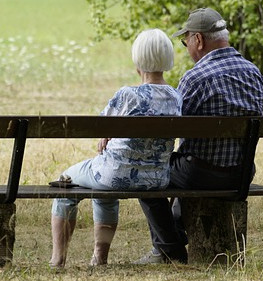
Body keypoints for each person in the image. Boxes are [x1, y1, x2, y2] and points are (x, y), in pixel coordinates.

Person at [136, 7, 263, 264]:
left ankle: (168, 249)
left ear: (198, 39)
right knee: (182, 164)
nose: (187, 48)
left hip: (200, 174)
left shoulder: (195, 78)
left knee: (145, 172)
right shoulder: (254, 73)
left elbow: (170, 127)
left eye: (186, 42)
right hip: (241, 173)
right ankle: (175, 234)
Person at [49, 28, 183, 268]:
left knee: (65, 181)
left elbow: (99, 127)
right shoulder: (176, 97)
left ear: (137, 61)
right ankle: (99, 258)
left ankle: (57, 260)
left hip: (114, 175)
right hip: (156, 179)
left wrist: (107, 135)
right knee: (102, 186)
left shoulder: (127, 95)